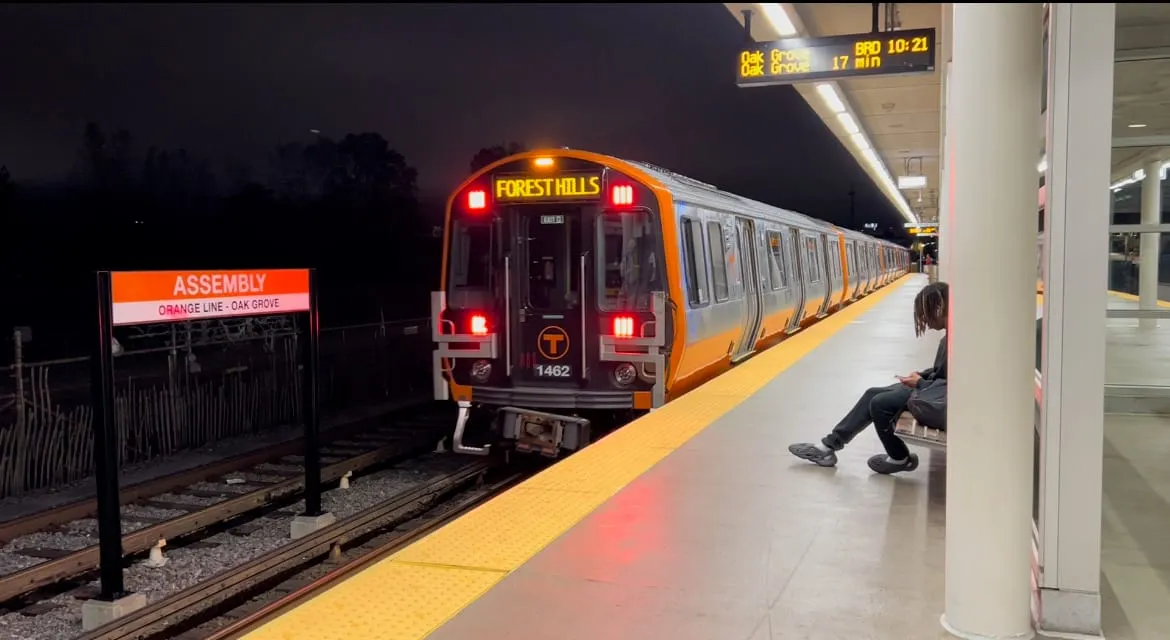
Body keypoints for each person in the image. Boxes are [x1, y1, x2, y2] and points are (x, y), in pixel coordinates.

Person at [788, 282, 949, 474]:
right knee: (872, 393)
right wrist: (922, 376)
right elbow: (944, 373)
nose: (926, 322)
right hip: (935, 392)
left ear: (938, 308)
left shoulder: (956, 338)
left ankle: (899, 458)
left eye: (925, 314)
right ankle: (828, 446)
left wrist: (920, 382)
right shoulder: (953, 335)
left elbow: (951, 382)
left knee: (880, 403)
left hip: (939, 400)